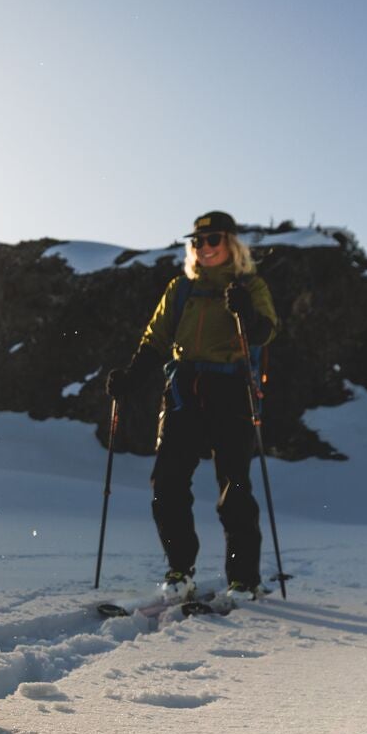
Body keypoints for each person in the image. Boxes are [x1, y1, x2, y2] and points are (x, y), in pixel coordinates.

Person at [106, 210, 278, 604]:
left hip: (231, 388)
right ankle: (179, 570)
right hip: (183, 388)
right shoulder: (180, 289)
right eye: (197, 241)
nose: (203, 247)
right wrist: (131, 377)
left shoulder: (250, 286)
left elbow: (267, 330)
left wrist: (246, 312)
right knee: (167, 484)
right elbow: (155, 339)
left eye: (212, 239)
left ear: (230, 243)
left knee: (234, 487)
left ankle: (244, 580)